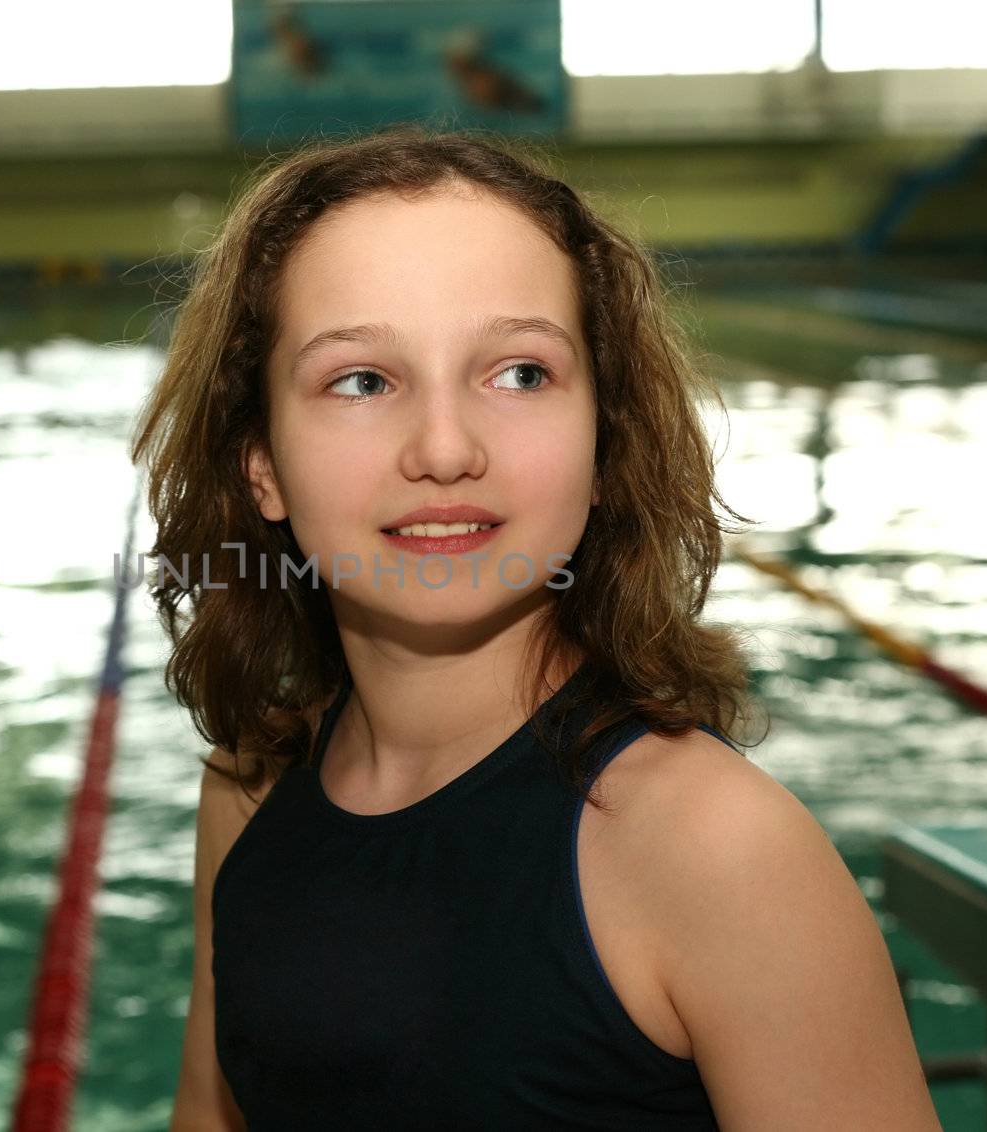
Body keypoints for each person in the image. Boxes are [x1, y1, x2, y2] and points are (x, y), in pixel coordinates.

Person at [130, 125, 941, 1131]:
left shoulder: (712, 847)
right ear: (261, 464)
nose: (443, 447)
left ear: (605, 440)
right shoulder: (250, 788)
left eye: (518, 373)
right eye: (361, 380)